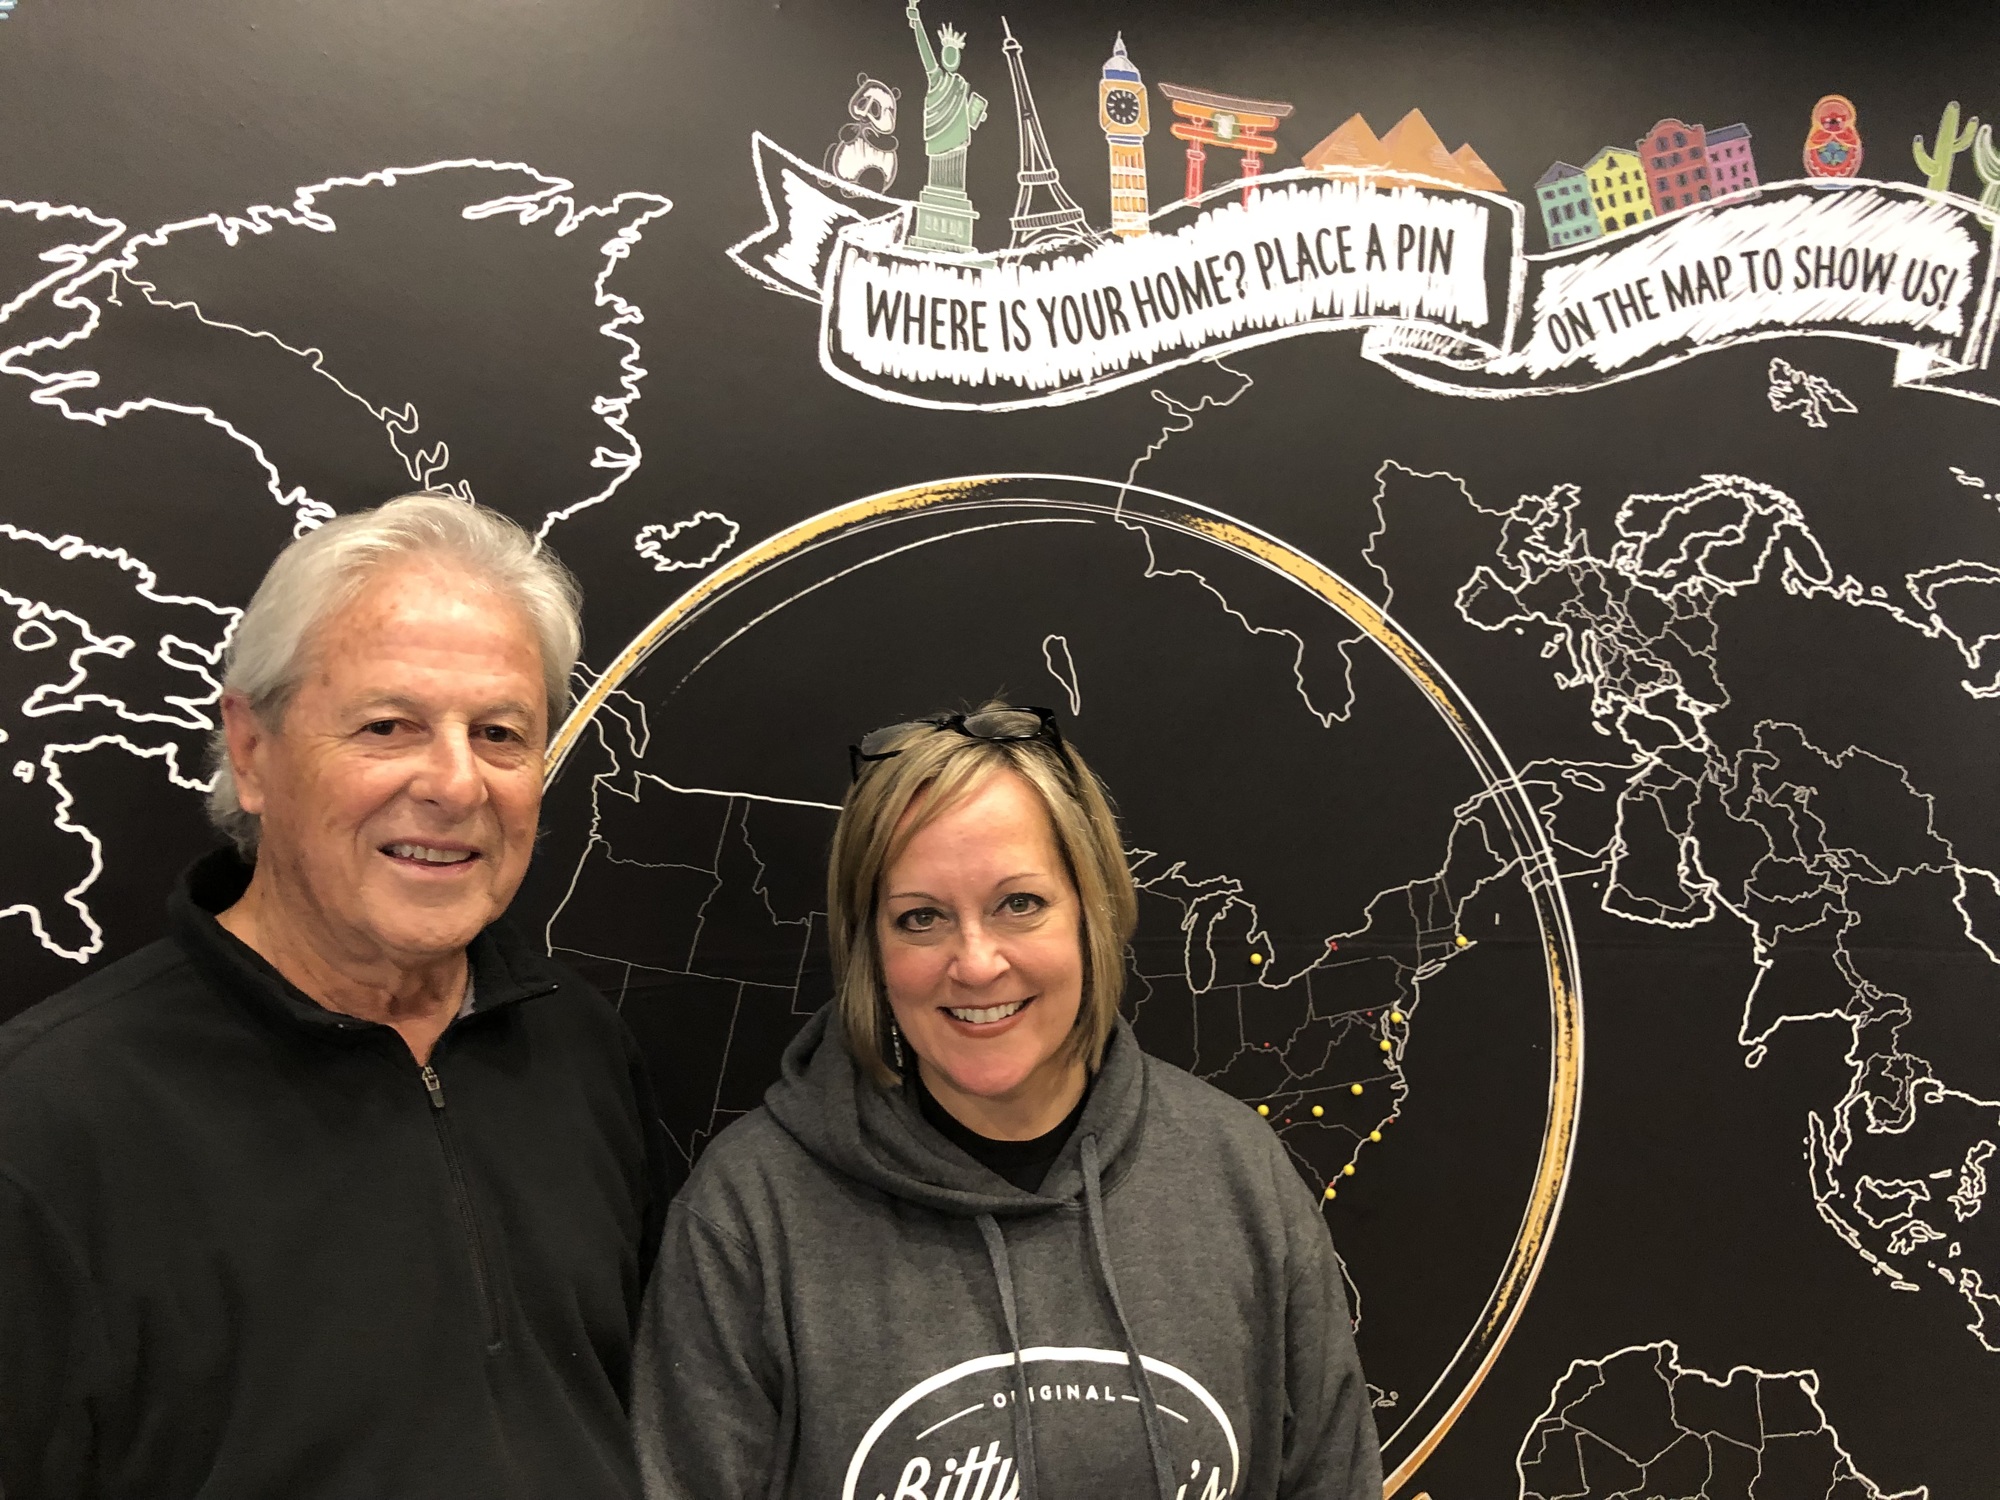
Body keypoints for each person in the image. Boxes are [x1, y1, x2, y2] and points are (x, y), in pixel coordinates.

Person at [0, 494, 669, 1499]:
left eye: (499, 733)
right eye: (388, 725)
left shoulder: (576, 1048)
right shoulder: (44, 1127)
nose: (455, 784)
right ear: (253, 749)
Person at [634, 705, 1381, 1500]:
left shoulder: (1240, 1179)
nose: (977, 963)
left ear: (1094, 910)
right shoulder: (748, 1217)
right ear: (871, 951)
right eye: (920, 918)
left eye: (1019, 903)